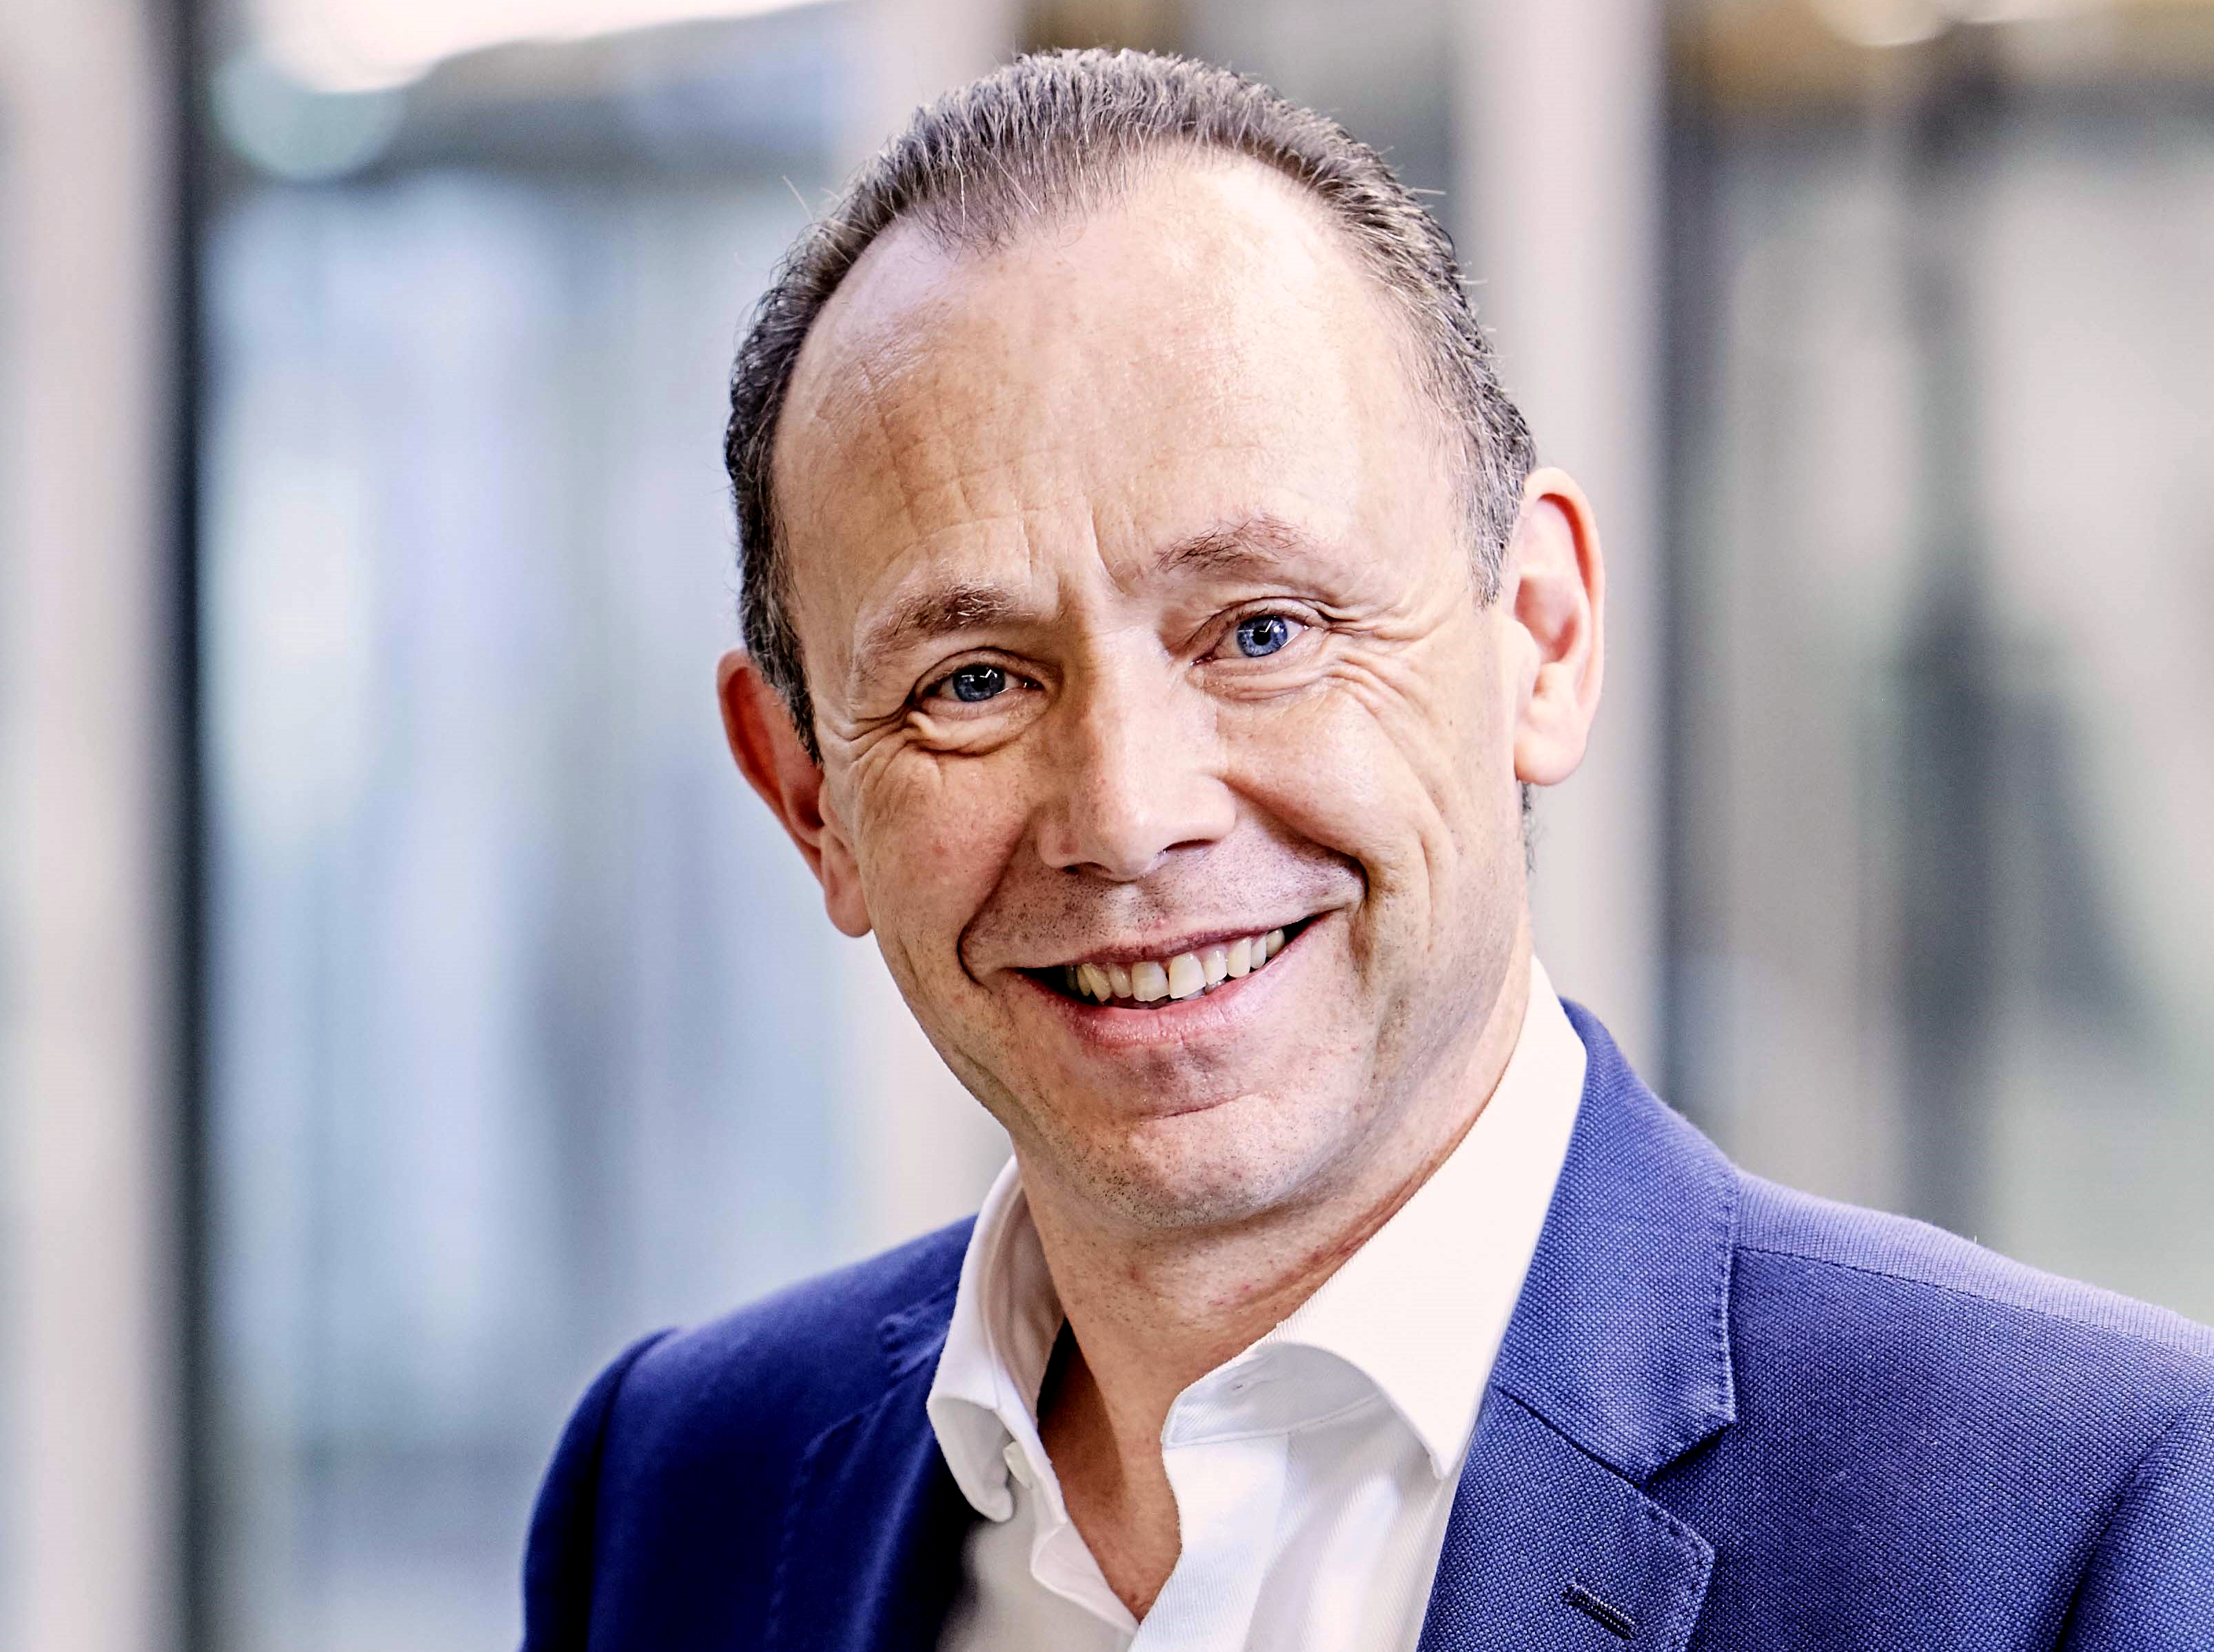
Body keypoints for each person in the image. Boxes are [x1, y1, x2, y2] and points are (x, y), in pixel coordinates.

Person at [520, 50, 2214, 1651]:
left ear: (1538, 637)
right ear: (808, 791)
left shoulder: (2081, 1525)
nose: (1125, 813)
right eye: (973, 680)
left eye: (1261, 631)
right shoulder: (679, 1493)